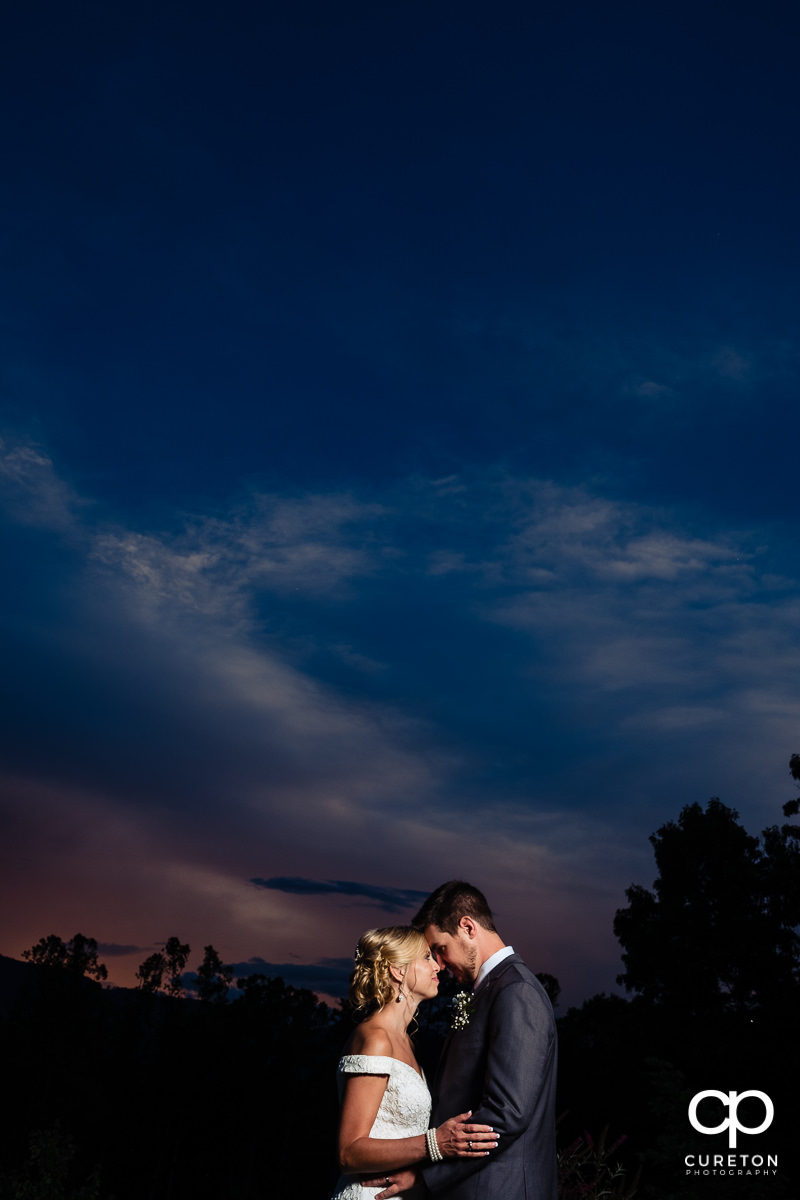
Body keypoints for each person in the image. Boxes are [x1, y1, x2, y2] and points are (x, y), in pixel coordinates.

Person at [364, 881, 557, 1200]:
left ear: (467, 927)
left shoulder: (516, 993)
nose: (439, 963)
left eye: (440, 948)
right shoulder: (485, 992)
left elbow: (505, 1114)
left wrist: (426, 1176)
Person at [332, 926, 498, 1200]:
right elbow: (348, 1153)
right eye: (426, 957)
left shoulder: (406, 1041)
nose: (437, 966)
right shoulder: (376, 1039)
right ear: (398, 970)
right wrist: (436, 1142)